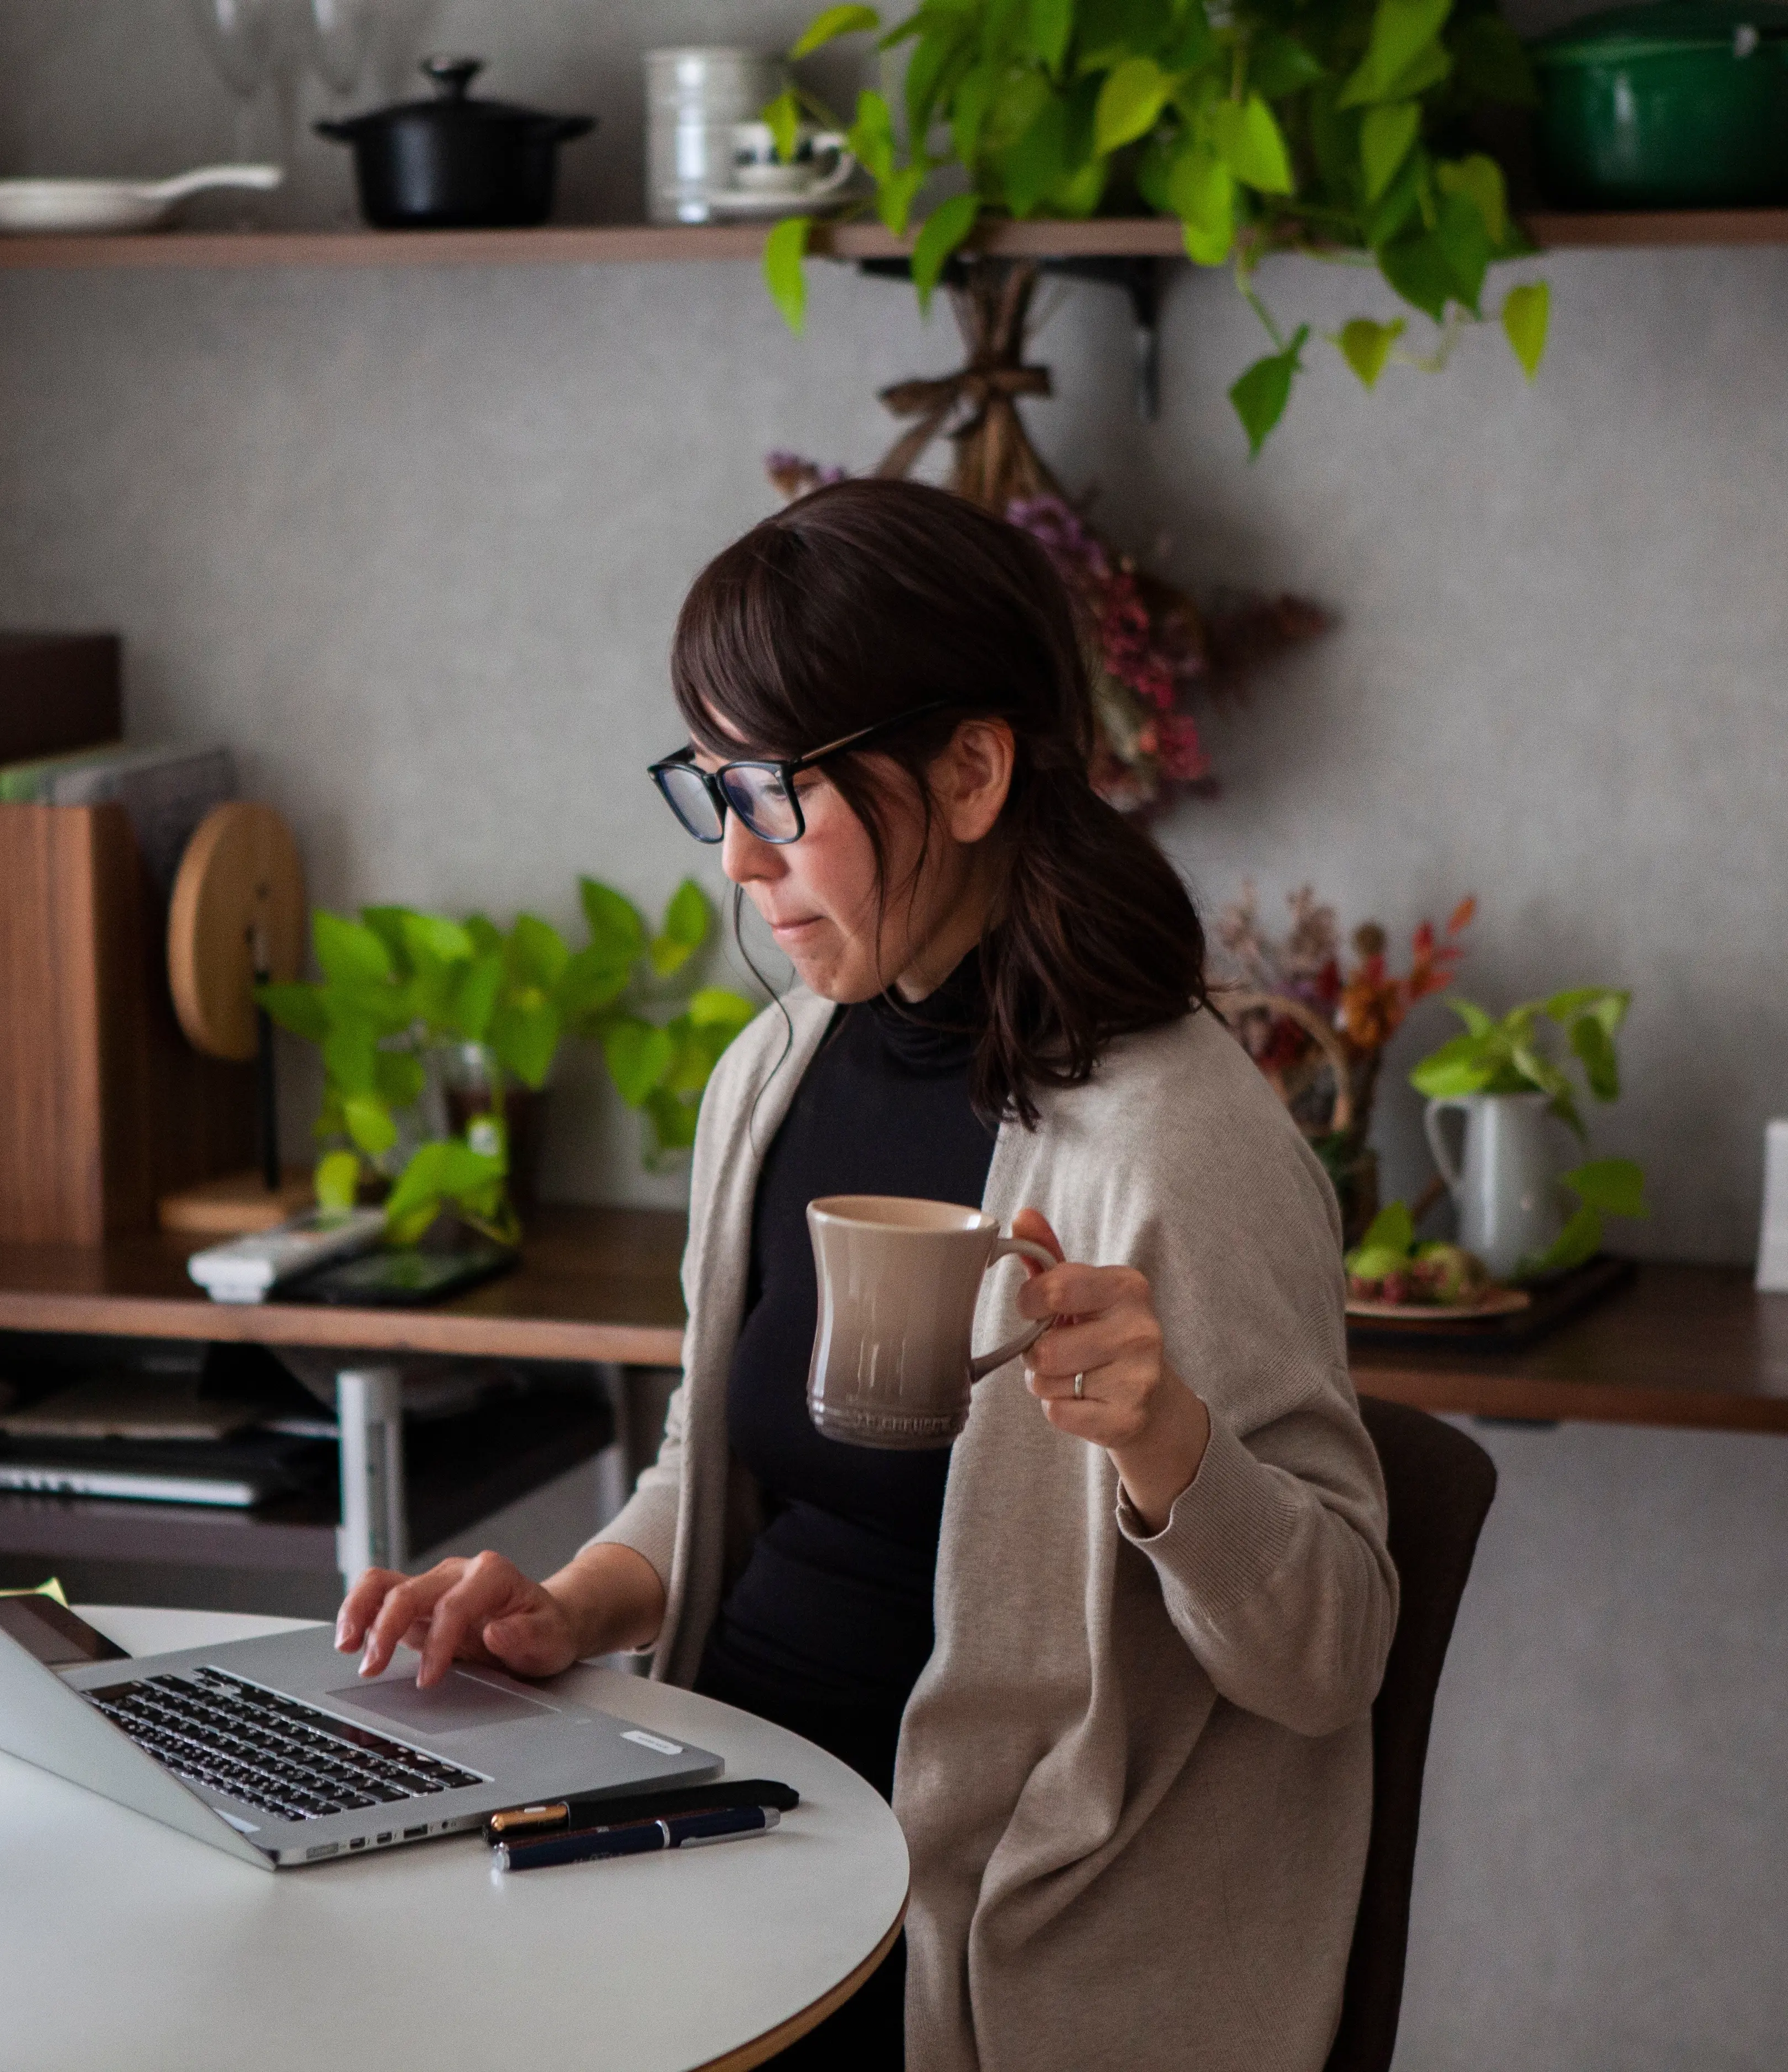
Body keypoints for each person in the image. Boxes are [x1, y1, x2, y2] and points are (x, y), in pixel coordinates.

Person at [333, 478, 1397, 2072]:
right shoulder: (773, 1076)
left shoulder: (1173, 1145)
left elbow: (1330, 1654)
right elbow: (715, 1465)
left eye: (775, 796)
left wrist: (1169, 1447)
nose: (740, 869)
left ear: (971, 772)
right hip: (732, 1825)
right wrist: (572, 1606)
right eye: (712, 798)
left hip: (983, 1917)